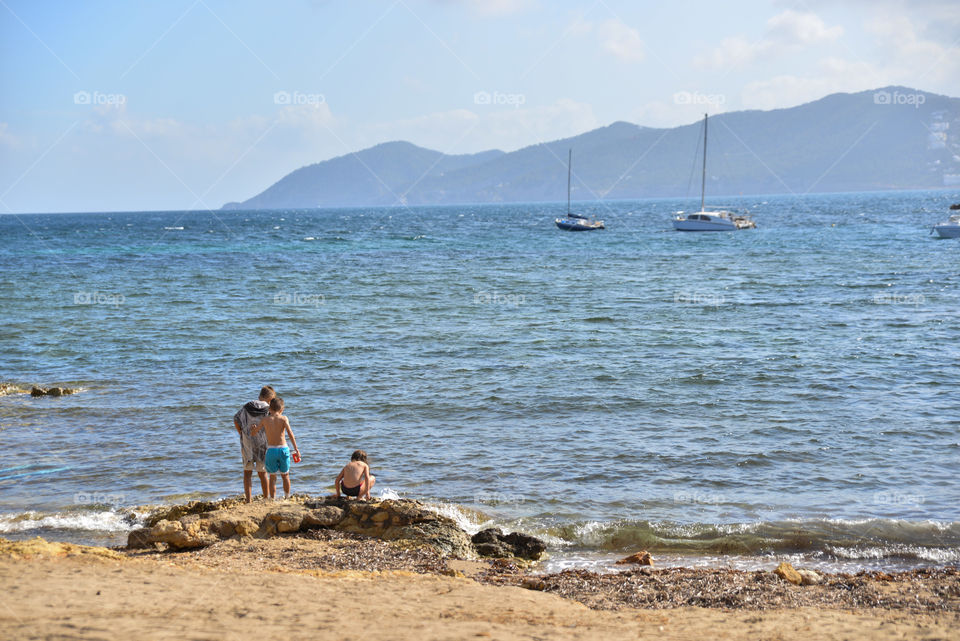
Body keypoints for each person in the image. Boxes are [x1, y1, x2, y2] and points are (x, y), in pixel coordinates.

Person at [251, 397, 300, 500]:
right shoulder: (284, 418)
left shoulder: (265, 420)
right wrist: (296, 449)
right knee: (285, 476)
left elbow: (254, 433)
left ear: (269, 409)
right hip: (283, 449)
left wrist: (253, 428)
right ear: (282, 409)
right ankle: (287, 497)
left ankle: (272, 499)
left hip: (271, 451)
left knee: (272, 477)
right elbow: (291, 434)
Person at [234, 385, 274, 503]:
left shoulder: (247, 406)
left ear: (259, 396)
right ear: (270, 399)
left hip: (247, 442)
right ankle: (266, 499)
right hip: (263, 443)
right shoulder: (269, 409)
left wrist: (241, 433)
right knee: (263, 473)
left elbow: (236, 419)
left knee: (247, 473)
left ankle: (248, 500)